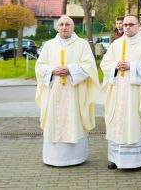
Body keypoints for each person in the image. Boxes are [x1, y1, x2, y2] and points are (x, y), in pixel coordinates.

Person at [35, 15, 100, 167]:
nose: (64, 27)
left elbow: (90, 66)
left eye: (67, 24)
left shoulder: (82, 45)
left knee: (74, 119)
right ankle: (53, 158)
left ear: (73, 27)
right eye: (61, 24)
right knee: (54, 120)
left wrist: (70, 70)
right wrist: (53, 70)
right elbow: (39, 66)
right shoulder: (49, 45)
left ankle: (76, 157)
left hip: (74, 91)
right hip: (54, 92)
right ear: (57, 27)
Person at [100, 14, 141, 170]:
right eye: (125, 24)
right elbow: (105, 64)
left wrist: (132, 67)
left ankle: (137, 160)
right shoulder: (116, 44)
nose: (127, 27)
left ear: (137, 25)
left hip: (136, 94)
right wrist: (115, 66)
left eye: (130, 24)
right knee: (116, 122)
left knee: (134, 122)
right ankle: (114, 158)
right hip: (117, 92)